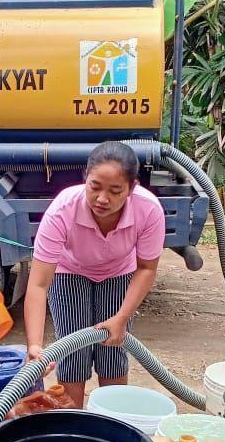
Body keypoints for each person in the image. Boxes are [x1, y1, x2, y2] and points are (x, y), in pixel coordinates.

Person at [23, 141, 166, 408]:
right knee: (72, 352)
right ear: (85, 179)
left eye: (115, 191)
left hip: (118, 273)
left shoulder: (148, 209)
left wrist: (122, 317)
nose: (102, 199)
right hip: (70, 271)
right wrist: (34, 345)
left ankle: (112, 422)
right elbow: (39, 285)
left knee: (113, 349)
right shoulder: (62, 209)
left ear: (132, 188)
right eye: (95, 187)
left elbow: (147, 268)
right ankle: (76, 422)